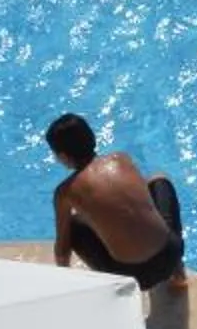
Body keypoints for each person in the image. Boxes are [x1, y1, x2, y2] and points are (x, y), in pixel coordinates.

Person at [45, 111, 186, 292]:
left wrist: (63, 285)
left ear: (63, 156)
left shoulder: (65, 192)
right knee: (158, 179)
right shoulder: (122, 159)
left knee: (72, 224)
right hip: (170, 255)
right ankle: (179, 273)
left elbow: (62, 251)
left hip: (133, 278)